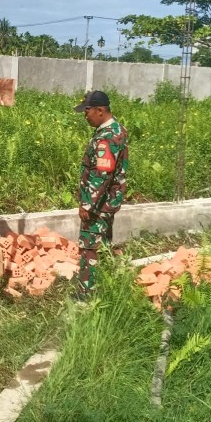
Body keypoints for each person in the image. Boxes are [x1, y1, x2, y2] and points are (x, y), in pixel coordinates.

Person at [73, 90, 129, 296]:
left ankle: (85, 296)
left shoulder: (107, 137)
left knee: (89, 248)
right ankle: (104, 289)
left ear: (100, 110)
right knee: (103, 245)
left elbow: (102, 174)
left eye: (86, 111)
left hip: (98, 205)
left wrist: (87, 204)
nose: (85, 116)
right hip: (108, 202)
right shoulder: (117, 130)